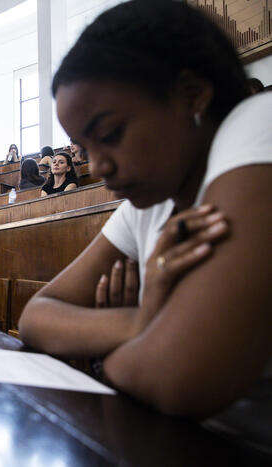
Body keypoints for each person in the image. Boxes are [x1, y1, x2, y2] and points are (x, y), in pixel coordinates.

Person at [18, 0, 271, 428]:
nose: (97, 167)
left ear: (191, 96)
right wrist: (148, 319)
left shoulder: (258, 121)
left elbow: (179, 377)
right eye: (84, 149)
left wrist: (108, 358)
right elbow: (37, 316)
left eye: (111, 135)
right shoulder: (152, 199)